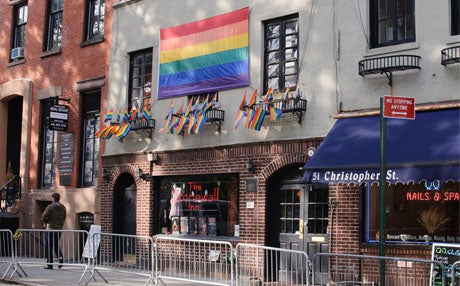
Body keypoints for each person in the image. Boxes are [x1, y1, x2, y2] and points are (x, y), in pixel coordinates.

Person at [41, 193, 66, 269]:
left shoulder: (50, 207)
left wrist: (46, 221)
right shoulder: (63, 207)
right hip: (58, 228)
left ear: (53, 199)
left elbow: (44, 216)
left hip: (50, 228)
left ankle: (49, 264)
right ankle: (60, 259)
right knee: (55, 245)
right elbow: (64, 217)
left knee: (48, 246)